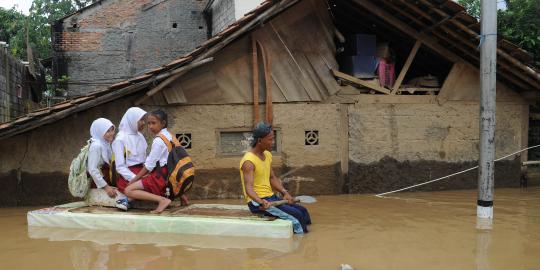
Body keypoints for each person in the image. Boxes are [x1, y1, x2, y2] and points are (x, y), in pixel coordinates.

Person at [239, 122, 311, 234]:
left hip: (271, 198)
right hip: (257, 203)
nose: (273, 143)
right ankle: (302, 241)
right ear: (259, 141)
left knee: (303, 211)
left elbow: (272, 177)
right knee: (297, 216)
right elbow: (249, 189)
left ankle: (306, 233)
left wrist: (284, 192)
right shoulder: (249, 161)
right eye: (270, 139)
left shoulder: (267, 155)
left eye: (273, 139)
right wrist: (260, 202)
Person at [124, 109, 172, 213]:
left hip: (159, 177)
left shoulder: (159, 141)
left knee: (128, 190)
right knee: (142, 179)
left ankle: (162, 200)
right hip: (168, 174)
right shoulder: (169, 136)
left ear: (163, 123)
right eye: (149, 123)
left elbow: (149, 166)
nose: (150, 126)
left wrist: (134, 179)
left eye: (153, 123)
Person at [112, 107, 148, 210]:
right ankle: (126, 200)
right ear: (132, 120)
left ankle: (128, 200)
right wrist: (135, 178)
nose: (144, 123)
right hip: (128, 175)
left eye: (144, 120)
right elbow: (120, 167)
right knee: (150, 186)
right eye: (141, 120)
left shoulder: (140, 136)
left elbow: (145, 159)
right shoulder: (120, 139)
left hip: (142, 172)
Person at [87, 118, 117, 198]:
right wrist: (106, 187)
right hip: (98, 183)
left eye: (112, 130)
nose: (111, 133)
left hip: (106, 179)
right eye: (107, 131)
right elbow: (92, 169)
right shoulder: (96, 146)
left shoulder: (106, 144)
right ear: (100, 132)